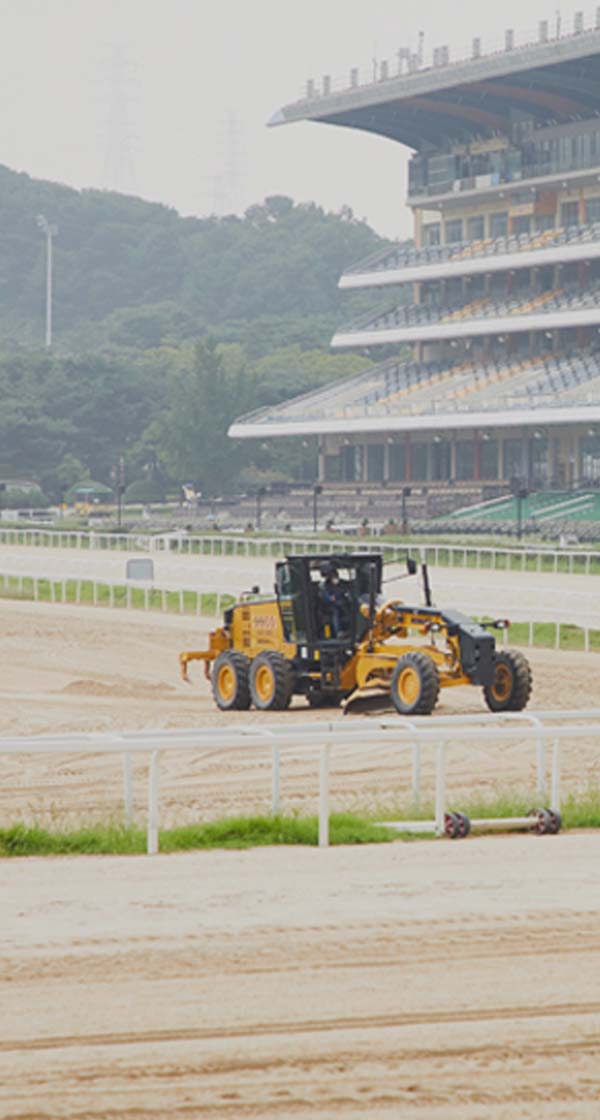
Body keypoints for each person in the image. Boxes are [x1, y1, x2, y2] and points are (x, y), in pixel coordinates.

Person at [318, 561, 348, 638]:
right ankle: (338, 631)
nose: (335, 578)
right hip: (329, 606)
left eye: (335, 575)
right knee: (335, 612)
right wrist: (331, 598)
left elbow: (345, 592)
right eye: (333, 576)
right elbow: (326, 596)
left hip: (341, 603)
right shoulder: (324, 586)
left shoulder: (342, 584)